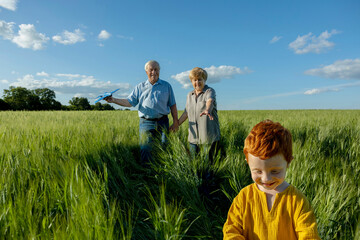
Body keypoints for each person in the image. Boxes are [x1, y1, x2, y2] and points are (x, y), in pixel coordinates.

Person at [223, 120, 320, 240]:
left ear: (289, 162)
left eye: (275, 171)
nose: (266, 178)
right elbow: (231, 231)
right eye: (258, 171)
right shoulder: (243, 198)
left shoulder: (297, 201)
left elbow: (309, 235)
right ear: (248, 163)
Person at [105, 60, 179, 165]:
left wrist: (176, 122)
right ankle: (146, 173)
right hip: (146, 123)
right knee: (145, 149)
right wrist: (114, 100)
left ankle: (162, 171)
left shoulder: (167, 86)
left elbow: (173, 105)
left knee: (163, 147)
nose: (154, 72)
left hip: (163, 122)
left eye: (156, 69)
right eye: (151, 70)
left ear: (159, 71)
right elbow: (129, 102)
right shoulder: (140, 87)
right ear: (146, 72)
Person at [174, 67, 221, 163]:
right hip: (193, 138)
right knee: (194, 163)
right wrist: (176, 124)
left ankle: (208, 178)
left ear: (204, 80)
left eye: (200, 79)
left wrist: (207, 110)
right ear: (191, 81)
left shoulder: (209, 91)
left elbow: (210, 101)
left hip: (208, 136)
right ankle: (196, 178)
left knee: (207, 163)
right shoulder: (189, 95)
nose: (197, 82)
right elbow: (186, 112)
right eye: (194, 80)